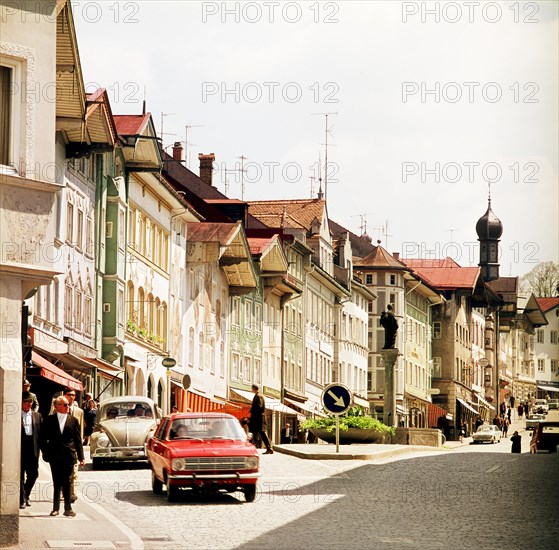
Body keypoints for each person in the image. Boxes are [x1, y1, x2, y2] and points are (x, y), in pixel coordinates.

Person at [40, 396, 85, 517]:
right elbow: (42, 439)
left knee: (68, 481)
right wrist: (46, 452)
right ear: (57, 406)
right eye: (65, 405)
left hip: (69, 455)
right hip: (54, 456)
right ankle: (55, 508)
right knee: (56, 482)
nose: (68, 407)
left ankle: (68, 508)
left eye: (68, 405)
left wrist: (81, 457)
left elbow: (77, 440)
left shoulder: (73, 420)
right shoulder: (49, 420)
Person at [20, 391, 42, 509]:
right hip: (20, 448)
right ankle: (22, 499)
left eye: (30, 402)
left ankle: (26, 494)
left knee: (33, 474)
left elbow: (41, 435)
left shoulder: (37, 416)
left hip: (33, 449)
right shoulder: (16, 415)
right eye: (26, 402)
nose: (28, 404)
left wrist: (44, 451)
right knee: (20, 476)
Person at [63, 388, 83, 504]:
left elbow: (80, 432)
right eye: (70, 394)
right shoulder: (58, 409)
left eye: (74, 395)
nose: (72, 397)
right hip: (62, 447)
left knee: (74, 472)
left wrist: (79, 448)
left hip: (73, 447)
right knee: (63, 472)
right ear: (64, 395)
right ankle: (63, 493)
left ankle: (72, 493)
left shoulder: (79, 412)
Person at [249, 384, 273, 454]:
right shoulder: (259, 395)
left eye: (252, 389)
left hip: (258, 418)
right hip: (258, 418)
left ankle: (269, 448)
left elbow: (259, 407)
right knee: (257, 432)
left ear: (253, 389)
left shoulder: (258, 396)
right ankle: (269, 448)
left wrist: (252, 411)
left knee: (256, 432)